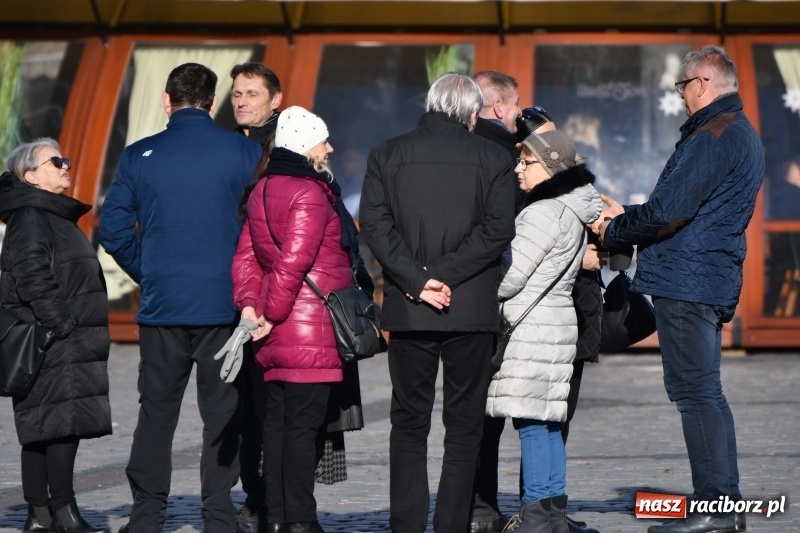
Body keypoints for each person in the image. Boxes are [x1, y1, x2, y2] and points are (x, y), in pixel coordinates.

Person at [593, 45, 764, 533]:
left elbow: (670, 212)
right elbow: (689, 208)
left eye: (682, 86)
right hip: (706, 277)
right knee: (707, 392)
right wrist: (627, 214)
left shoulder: (713, 136)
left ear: (703, 83)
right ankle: (724, 504)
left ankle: (715, 509)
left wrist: (613, 229)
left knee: (695, 393)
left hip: (689, 282)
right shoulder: (738, 132)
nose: (682, 96)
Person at [99, 63, 262, 533]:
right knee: (223, 416)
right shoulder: (246, 151)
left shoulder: (138, 155)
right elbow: (261, 226)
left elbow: (113, 230)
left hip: (162, 307)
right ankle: (219, 516)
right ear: (212, 102)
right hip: (224, 306)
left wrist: (149, 273)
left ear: (166, 100)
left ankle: (147, 516)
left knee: (156, 415)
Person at [360, 72, 516, 533]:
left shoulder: (386, 153)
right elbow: (498, 231)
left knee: (409, 421)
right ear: (472, 115)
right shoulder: (493, 155)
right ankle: (452, 524)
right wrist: (441, 276)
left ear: (430, 105)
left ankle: (406, 524)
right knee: (465, 425)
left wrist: (419, 279)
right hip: (469, 306)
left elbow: (375, 226)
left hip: (411, 307)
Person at [232, 106, 367, 533]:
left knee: (277, 425)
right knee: (303, 429)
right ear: (305, 145)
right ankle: (301, 521)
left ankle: (276, 518)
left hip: (275, 329)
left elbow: (246, 258)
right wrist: (269, 313)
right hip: (308, 328)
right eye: (323, 140)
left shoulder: (262, 189)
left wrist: (250, 307)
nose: (330, 148)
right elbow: (294, 262)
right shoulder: (309, 192)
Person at [486, 130, 602, 532]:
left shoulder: (541, 213)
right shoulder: (571, 208)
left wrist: (479, 279)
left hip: (532, 329)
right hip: (555, 322)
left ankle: (536, 516)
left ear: (550, 166)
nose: (518, 169)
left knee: (532, 423)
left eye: (527, 162)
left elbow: (510, 278)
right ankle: (552, 514)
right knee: (549, 422)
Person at [0, 138, 112, 533]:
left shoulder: (46, 213)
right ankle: (61, 511)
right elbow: (31, 277)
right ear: (30, 176)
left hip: (57, 337)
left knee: (45, 426)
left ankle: (41, 515)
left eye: (65, 160)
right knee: (60, 426)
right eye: (55, 161)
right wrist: (62, 324)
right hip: (53, 339)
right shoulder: (32, 216)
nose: (66, 166)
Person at [230, 61, 284, 532]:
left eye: (252, 93)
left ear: (275, 100)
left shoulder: (284, 147)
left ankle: (274, 498)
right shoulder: (228, 146)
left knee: (272, 406)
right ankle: (254, 494)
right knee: (244, 407)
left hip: (276, 298)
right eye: (237, 93)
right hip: (238, 293)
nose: (242, 100)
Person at [231, 62, 283, 145]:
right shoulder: (226, 143)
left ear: (275, 100)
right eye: (237, 95)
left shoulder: (289, 143)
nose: (241, 103)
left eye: (252, 95)